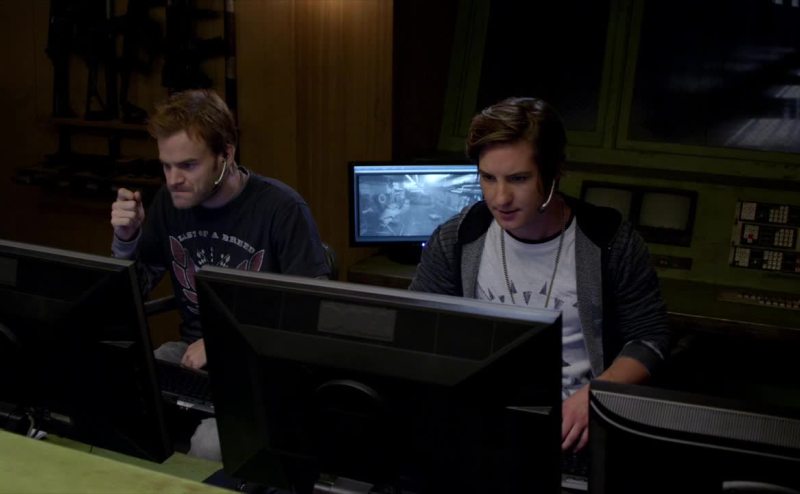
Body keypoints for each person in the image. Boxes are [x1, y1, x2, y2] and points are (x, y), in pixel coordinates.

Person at [408, 97, 670, 453]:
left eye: (518, 179)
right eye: (488, 178)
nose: (500, 198)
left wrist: (593, 396)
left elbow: (650, 339)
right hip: (484, 428)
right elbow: (418, 328)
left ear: (554, 171)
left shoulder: (609, 241)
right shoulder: (457, 239)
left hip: (574, 431)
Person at [110, 89, 330, 459]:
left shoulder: (281, 208)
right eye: (166, 166)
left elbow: (313, 310)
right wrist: (126, 240)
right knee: (119, 400)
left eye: (188, 166)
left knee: (208, 445)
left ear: (226, 154)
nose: (173, 180)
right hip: (190, 358)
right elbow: (132, 292)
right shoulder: (168, 204)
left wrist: (223, 340)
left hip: (260, 364)